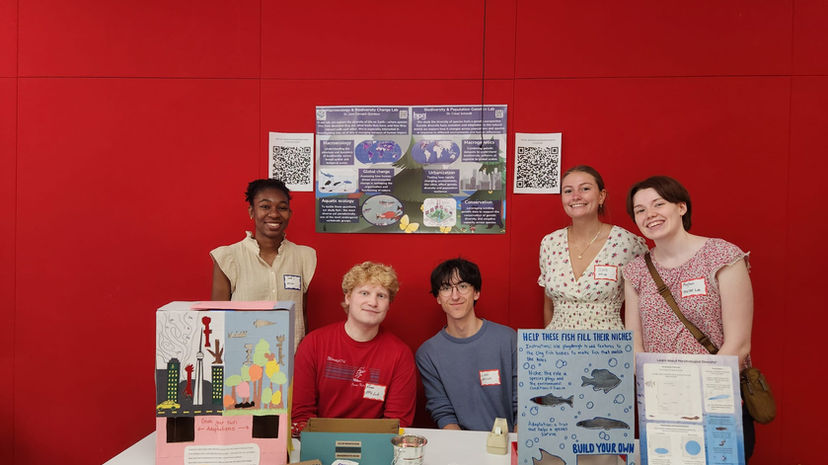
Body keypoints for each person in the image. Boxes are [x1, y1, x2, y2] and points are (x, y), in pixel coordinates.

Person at [622, 175, 755, 460]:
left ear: (681, 207)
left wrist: (698, 393)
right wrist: (664, 394)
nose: (650, 214)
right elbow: (634, 344)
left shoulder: (722, 256)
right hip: (662, 406)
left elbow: (739, 345)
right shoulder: (635, 271)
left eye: (659, 204)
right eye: (640, 210)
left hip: (716, 401)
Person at [291, 261, 417, 436]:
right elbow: (301, 415)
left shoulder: (400, 354)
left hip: (375, 445)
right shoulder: (313, 344)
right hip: (319, 442)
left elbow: (397, 423)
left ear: (389, 304)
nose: (373, 302)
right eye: (364, 293)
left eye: (381, 296)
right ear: (348, 298)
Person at [210, 179, 317, 349]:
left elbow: (301, 316)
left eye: (282, 208)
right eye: (265, 206)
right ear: (252, 211)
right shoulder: (229, 257)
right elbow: (218, 318)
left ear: (289, 212)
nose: (274, 214)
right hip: (243, 359)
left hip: (289, 358)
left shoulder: (304, 256)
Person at [538, 165, 647, 330]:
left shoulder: (627, 243)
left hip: (609, 347)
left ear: (602, 196)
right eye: (568, 191)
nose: (576, 196)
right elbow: (548, 305)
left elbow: (644, 305)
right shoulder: (550, 243)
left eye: (585, 188)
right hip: (558, 349)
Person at [416, 258, 517, 432]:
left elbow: (523, 404)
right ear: (438, 298)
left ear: (476, 292)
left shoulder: (508, 339)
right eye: (446, 288)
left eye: (462, 286)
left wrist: (515, 450)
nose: (455, 296)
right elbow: (442, 412)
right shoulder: (428, 353)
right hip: (459, 445)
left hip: (508, 444)